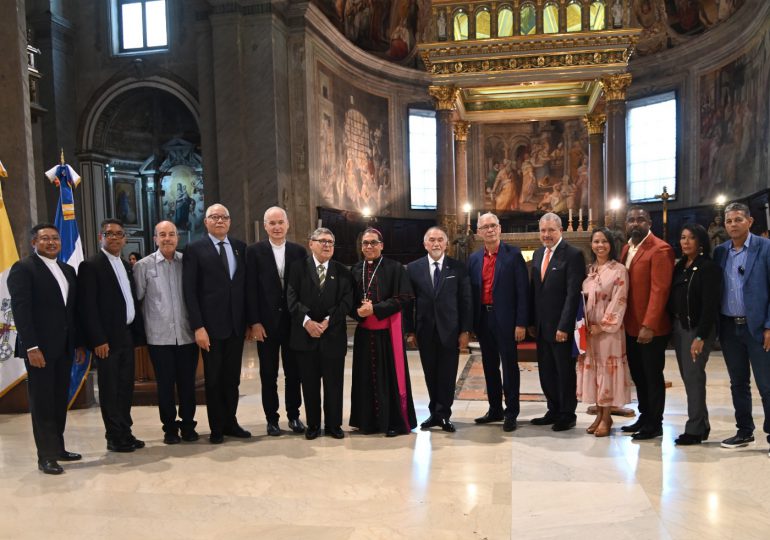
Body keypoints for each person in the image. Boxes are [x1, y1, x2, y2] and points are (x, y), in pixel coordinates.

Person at [8, 223, 83, 474]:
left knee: (59, 399)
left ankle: (58, 447)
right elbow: (22, 311)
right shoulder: (24, 269)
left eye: (55, 238)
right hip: (39, 349)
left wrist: (78, 343)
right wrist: (31, 347)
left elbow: (71, 312)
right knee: (42, 402)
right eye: (45, 239)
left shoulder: (67, 270)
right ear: (34, 243)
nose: (51, 243)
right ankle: (46, 456)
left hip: (64, 348)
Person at [182, 204, 250, 444]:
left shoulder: (241, 248)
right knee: (213, 379)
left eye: (224, 217)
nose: (220, 221)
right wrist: (198, 326)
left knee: (232, 379)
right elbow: (189, 291)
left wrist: (250, 323)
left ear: (229, 222)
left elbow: (245, 288)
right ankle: (217, 427)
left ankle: (231, 421)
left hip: (235, 326)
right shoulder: (194, 249)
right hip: (209, 328)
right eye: (214, 217)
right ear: (206, 221)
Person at [78, 219, 145, 452]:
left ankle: (126, 431)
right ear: (101, 238)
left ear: (125, 238)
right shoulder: (91, 265)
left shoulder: (126, 265)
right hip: (106, 340)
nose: (114, 238)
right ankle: (114, 436)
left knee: (126, 388)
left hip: (126, 336)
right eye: (109, 234)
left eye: (119, 234)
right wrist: (98, 340)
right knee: (110, 389)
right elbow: (88, 307)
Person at [133, 221, 199, 444]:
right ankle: (170, 428)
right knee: (165, 385)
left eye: (171, 234)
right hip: (159, 337)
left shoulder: (187, 263)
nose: (167, 238)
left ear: (178, 238)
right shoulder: (143, 266)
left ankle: (188, 426)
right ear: (155, 238)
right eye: (163, 235)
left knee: (187, 384)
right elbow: (137, 300)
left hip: (187, 335)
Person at [713, 202, 770, 453]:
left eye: (738, 220)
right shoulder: (721, 251)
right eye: (729, 221)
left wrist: (769, 326)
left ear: (749, 221)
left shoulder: (765, 248)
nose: (733, 225)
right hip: (729, 327)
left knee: (766, 384)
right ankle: (744, 431)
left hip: (757, 328)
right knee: (738, 382)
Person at [286, 228, 353, 440]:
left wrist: (327, 320)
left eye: (330, 242)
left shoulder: (342, 270)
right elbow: (290, 298)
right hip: (305, 337)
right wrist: (307, 322)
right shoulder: (297, 268)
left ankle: (334, 425)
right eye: (322, 241)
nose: (327, 245)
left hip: (332, 336)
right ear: (311, 244)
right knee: (310, 384)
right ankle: (313, 424)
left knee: (334, 384)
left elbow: (347, 301)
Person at [245, 207, 307, 436]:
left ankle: (294, 416)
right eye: (272, 223)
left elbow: (303, 289)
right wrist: (254, 322)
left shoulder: (299, 252)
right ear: (265, 226)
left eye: (280, 222)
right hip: (266, 324)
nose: (277, 227)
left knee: (294, 373)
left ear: (288, 224)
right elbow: (250, 289)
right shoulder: (254, 252)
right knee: (268, 374)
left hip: (292, 324)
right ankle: (272, 419)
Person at [349, 228, 417, 436]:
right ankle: (367, 422)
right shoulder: (355, 269)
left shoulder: (395, 268)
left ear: (381, 245)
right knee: (365, 378)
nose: (369, 247)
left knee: (389, 378)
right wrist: (357, 311)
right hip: (364, 334)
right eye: (365, 243)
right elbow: (347, 300)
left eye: (373, 243)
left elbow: (405, 297)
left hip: (387, 335)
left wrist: (376, 309)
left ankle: (393, 422)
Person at [405, 227, 472, 433]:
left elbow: (466, 301)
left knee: (447, 374)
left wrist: (465, 330)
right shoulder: (413, 268)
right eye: (432, 240)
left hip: (450, 331)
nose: (436, 243)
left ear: (446, 243)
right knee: (430, 374)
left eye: (440, 240)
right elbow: (408, 303)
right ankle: (434, 413)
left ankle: (444, 414)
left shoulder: (458, 268)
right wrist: (409, 331)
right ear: (425, 244)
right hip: (424, 331)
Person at [467, 213, 529, 432]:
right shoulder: (474, 259)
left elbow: (523, 291)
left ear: (499, 228)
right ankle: (495, 409)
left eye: (493, 225)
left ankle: (511, 412)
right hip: (483, 318)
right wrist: (471, 323)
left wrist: (521, 323)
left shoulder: (513, 255)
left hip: (506, 320)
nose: (490, 230)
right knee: (489, 366)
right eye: (485, 227)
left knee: (509, 367)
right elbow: (470, 294)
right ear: (479, 232)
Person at [619, 207, 674, 440]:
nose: (635, 224)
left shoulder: (660, 249)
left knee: (652, 376)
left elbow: (660, 290)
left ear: (649, 222)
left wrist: (649, 324)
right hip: (630, 326)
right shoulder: (626, 249)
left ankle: (655, 423)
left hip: (649, 328)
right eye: (631, 220)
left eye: (640, 219)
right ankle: (644, 416)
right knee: (639, 375)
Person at [528, 213, 586, 432]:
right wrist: (533, 322)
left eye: (551, 230)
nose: (546, 235)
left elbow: (573, 294)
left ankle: (567, 413)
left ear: (560, 230)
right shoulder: (537, 253)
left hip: (561, 327)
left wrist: (564, 326)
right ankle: (552, 409)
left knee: (564, 372)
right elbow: (536, 291)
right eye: (543, 230)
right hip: (542, 327)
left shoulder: (573, 254)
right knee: (546, 371)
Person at [668, 223, 721, 446]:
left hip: (696, 330)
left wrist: (700, 336)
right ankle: (702, 425)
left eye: (691, 238)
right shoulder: (680, 267)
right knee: (690, 378)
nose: (685, 242)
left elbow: (711, 305)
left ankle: (695, 429)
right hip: (680, 329)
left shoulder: (708, 267)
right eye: (682, 237)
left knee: (693, 378)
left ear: (700, 242)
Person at [577, 227, 631, 437]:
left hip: (609, 332)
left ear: (611, 244)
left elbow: (620, 300)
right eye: (596, 241)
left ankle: (607, 418)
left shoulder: (618, 270)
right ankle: (599, 414)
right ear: (591, 244)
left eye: (604, 241)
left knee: (607, 372)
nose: (600, 245)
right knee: (595, 372)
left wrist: (604, 325)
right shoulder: (591, 271)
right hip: (590, 331)